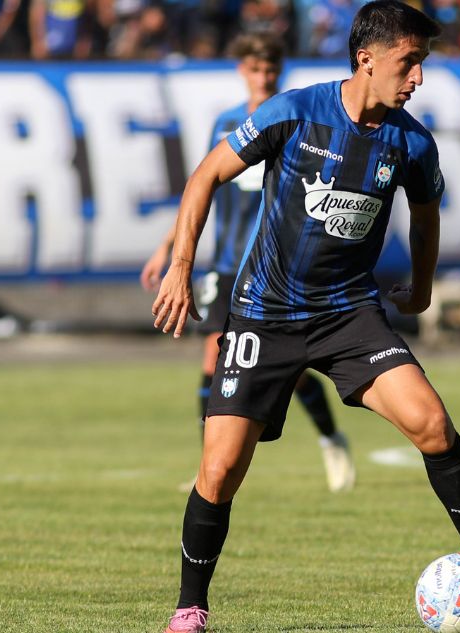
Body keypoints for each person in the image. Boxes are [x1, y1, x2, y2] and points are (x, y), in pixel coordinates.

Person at [148, 2, 460, 630]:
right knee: (219, 470)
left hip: (348, 313)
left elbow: (427, 211)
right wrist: (180, 264)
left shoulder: (412, 141)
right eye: (408, 62)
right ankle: (191, 607)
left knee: (433, 424)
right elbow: (205, 177)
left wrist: (422, 282)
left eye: (422, 64)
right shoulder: (295, 112)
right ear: (367, 59)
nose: (417, 78)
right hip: (263, 314)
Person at [141, 31, 356, 494]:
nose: (263, 77)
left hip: (275, 269)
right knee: (212, 354)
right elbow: (206, 183)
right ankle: (207, 468)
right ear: (242, 70)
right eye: (255, 69)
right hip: (227, 265)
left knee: (294, 374)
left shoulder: (294, 120)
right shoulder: (227, 122)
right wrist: (169, 247)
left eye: (271, 69)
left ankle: (330, 437)